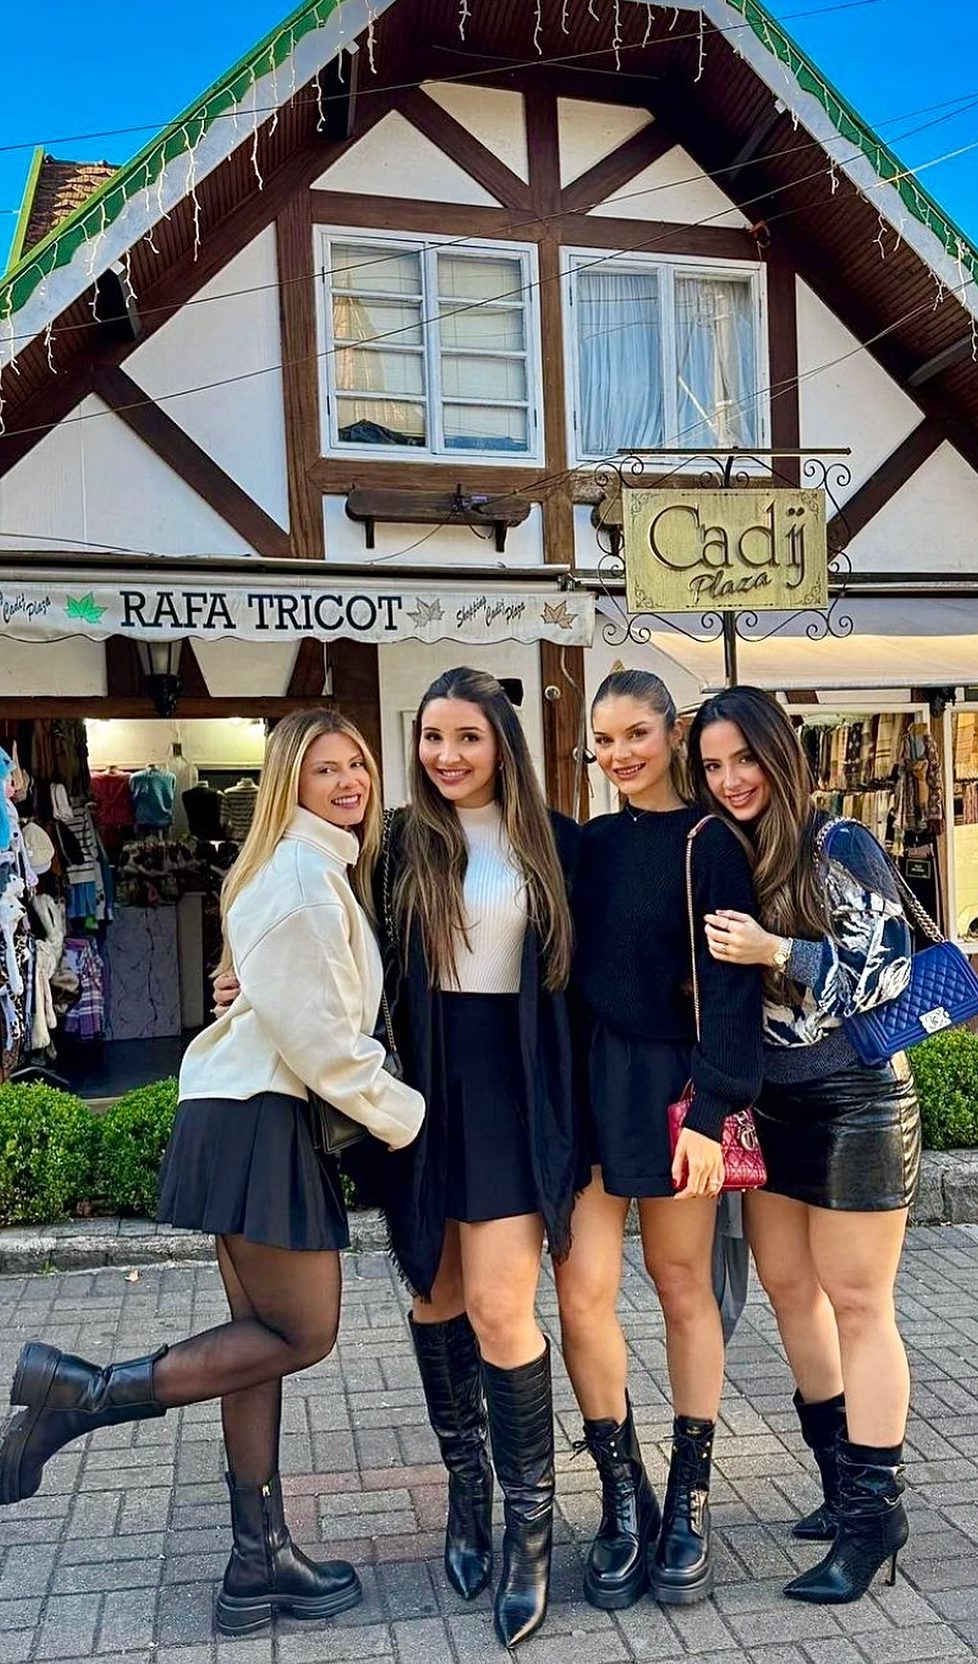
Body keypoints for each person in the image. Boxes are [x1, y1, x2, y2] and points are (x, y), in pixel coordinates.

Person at [0, 709, 426, 1640]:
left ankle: (254, 1561)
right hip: (261, 1118)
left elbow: (273, 999)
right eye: (325, 769)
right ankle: (81, 1395)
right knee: (301, 1332)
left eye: (357, 764)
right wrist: (408, 1118)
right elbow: (321, 1041)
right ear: (290, 782)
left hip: (245, 1112)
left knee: (256, 1340)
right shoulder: (303, 878)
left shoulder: (304, 868)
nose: (349, 782)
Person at [361, 667, 584, 1651]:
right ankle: (468, 1491)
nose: (446, 756)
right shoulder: (397, 843)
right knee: (435, 1293)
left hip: (510, 1088)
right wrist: (244, 971)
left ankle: (530, 1528)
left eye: (467, 737)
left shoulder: (554, 842)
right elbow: (327, 935)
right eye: (432, 737)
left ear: (502, 743)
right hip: (420, 1089)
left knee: (500, 1306)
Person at [687, 687, 920, 1605]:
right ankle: (836, 1482)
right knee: (789, 1291)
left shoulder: (837, 843)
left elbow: (886, 971)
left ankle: (873, 1518)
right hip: (771, 1105)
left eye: (743, 758)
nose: (729, 778)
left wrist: (774, 951)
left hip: (858, 1098)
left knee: (858, 1302)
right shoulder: (723, 851)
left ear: (779, 755)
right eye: (712, 765)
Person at [558, 668, 763, 1610]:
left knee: (682, 1286)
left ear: (671, 733)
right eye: (603, 741)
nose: (619, 755)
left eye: (635, 734)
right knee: (581, 1296)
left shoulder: (709, 843)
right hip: (592, 1086)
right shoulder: (588, 843)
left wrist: (715, 1116)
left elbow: (732, 990)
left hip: (677, 1091)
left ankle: (689, 1494)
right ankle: (621, 1496)